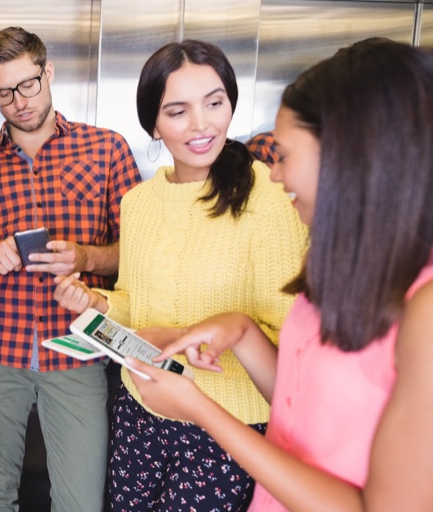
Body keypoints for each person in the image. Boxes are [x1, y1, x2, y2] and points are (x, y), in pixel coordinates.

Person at [126, 39, 433, 512]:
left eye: (285, 156)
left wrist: (199, 410)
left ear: (349, 155)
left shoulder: (425, 310)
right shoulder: (339, 265)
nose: (272, 175)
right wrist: (240, 329)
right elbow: (298, 400)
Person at [53, 40, 308, 511]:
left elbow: (291, 342)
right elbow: (138, 301)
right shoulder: (139, 202)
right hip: (139, 407)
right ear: (153, 122)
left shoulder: (269, 200)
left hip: (226, 426)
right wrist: (96, 303)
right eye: (178, 111)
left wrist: (201, 340)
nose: (201, 124)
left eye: (215, 103)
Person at [0, 26, 142, 511]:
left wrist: (87, 257)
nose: (19, 102)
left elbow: (141, 252)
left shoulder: (107, 149)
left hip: (77, 350)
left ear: (47, 72)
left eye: (28, 84)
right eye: (3, 93)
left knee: (79, 502)